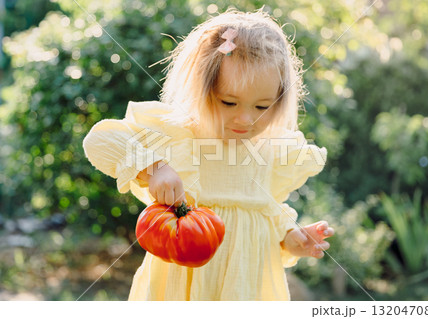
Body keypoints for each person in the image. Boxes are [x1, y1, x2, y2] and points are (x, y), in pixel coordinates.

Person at [83, 8, 334, 301]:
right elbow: (99, 141)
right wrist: (154, 168)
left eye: (262, 106)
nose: (246, 119)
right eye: (229, 102)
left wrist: (293, 240)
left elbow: (267, 213)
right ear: (202, 89)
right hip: (182, 287)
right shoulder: (179, 135)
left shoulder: (270, 149)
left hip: (247, 289)